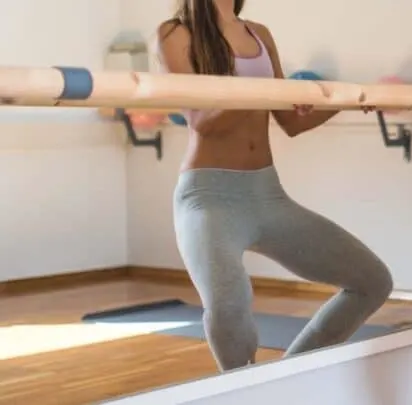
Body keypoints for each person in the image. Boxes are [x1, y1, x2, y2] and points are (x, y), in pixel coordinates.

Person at [155, 0, 393, 372]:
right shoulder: (176, 33)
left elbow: (290, 121)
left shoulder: (259, 34)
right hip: (209, 197)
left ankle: (284, 377)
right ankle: (241, 389)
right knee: (228, 305)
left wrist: (348, 101)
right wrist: (262, 91)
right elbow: (202, 122)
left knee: (373, 281)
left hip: (267, 195)